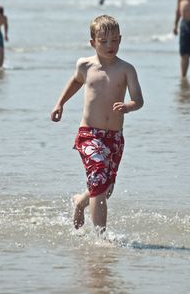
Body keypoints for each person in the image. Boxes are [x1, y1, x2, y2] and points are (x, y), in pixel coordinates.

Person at [51, 15, 144, 234]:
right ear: (93, 42)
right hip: (89, 135)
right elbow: (75, 82)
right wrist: (60, 104)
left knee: (104, 189)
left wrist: (129, 106)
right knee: (99, 178)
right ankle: (101, 238)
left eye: (114, 41)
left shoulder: (126, 69)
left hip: (115, 137)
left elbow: (139, 99)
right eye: (103, 41)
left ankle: (79, 202)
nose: (110, 46)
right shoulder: (85, 66)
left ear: (120, 40)